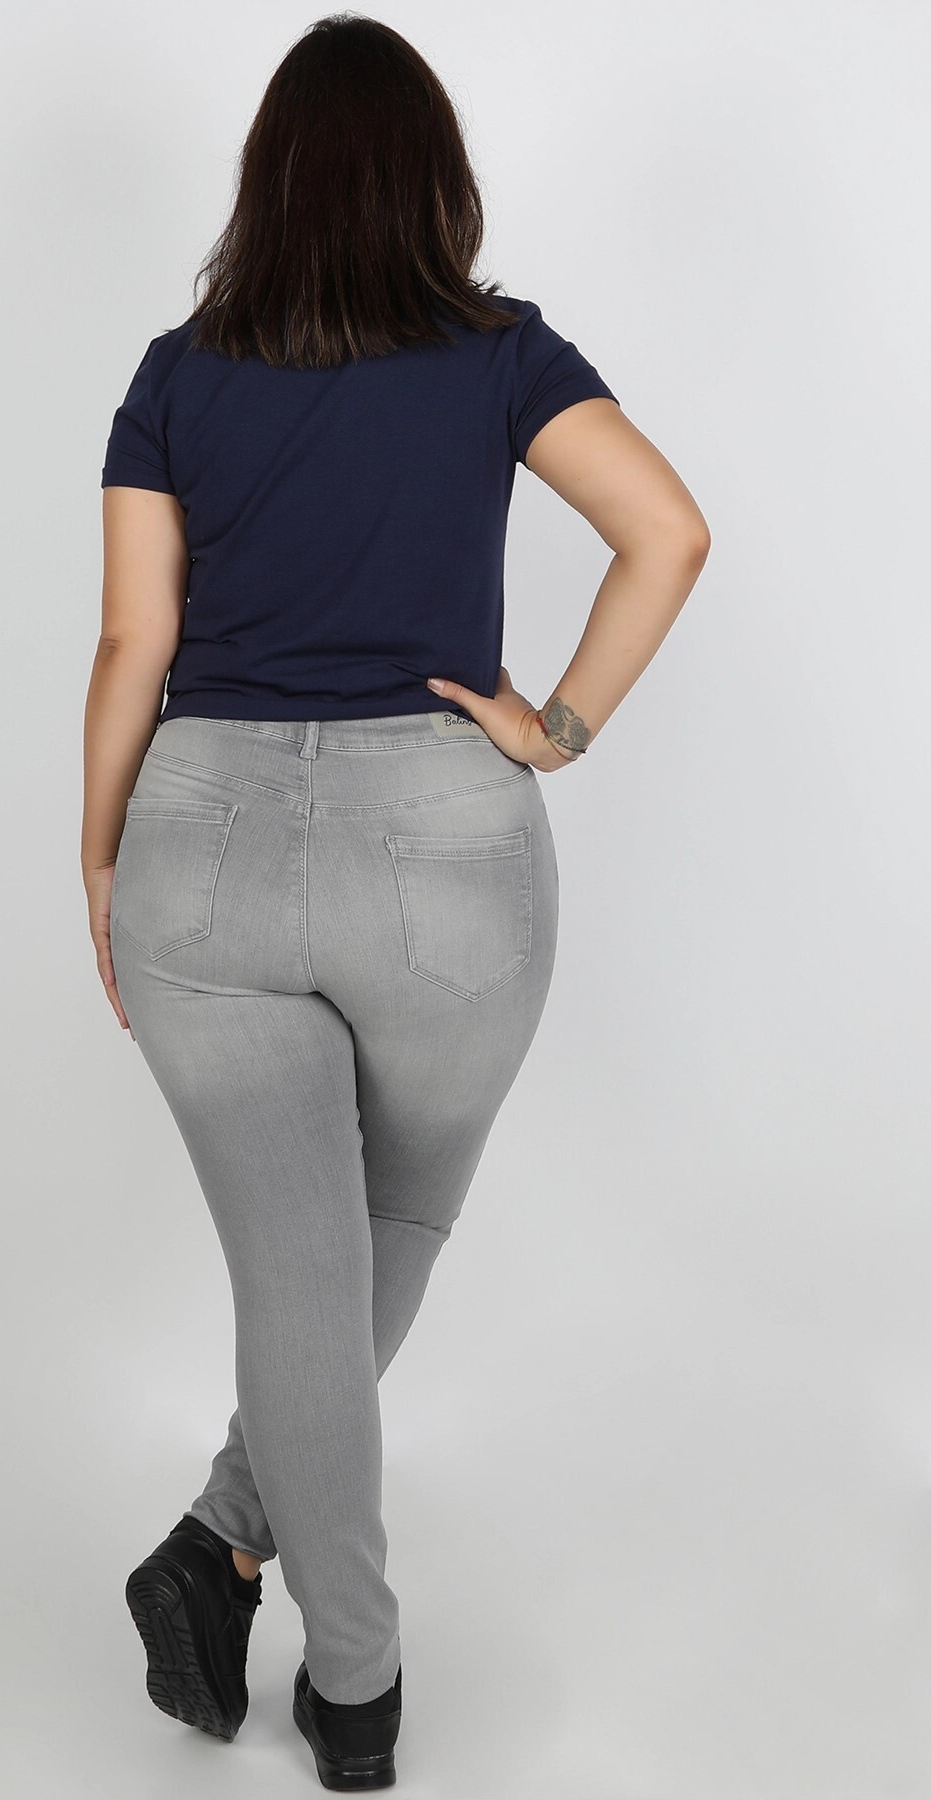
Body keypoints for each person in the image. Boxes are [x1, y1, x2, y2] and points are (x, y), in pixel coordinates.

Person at [80, 14, 709, 1791]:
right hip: (444, 844)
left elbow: (131, 639)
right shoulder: (501, 355)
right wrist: (552, 727)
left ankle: (292, 1624)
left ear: (267, 184)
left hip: (199, 837)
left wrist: (100, 856)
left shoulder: (177, 374)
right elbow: (668, 532)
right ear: (437, 182)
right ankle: (284, 1617)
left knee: (301, 1275)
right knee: (387, 1234)